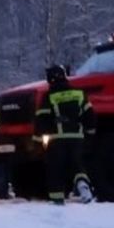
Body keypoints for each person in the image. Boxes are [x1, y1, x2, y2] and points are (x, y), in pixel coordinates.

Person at [35, 65, 96, 204]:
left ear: (50, 79)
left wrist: (37, 142)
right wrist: (89, 135)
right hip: (77, 138)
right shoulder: (79, 93)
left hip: (57, 140)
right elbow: (90, 117)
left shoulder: (49, 96)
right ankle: (83, 186)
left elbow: (41, 120)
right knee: (77, 165)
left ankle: (57, 200)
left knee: (56, 169)